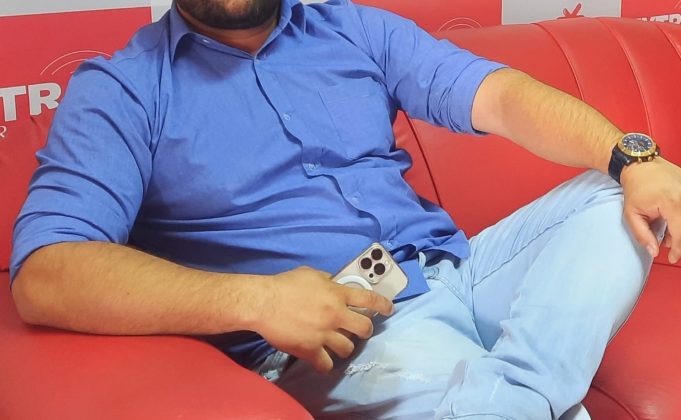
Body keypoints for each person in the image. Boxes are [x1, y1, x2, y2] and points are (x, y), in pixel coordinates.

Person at [9, 0, 681, 418]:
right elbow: (46, 273)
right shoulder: (120, 90)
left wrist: (634, 160)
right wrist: (254, 300)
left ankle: (517, 400)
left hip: (460, 269)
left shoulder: (350, 28)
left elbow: (500, 96)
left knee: (610, 193)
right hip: (348, 330)